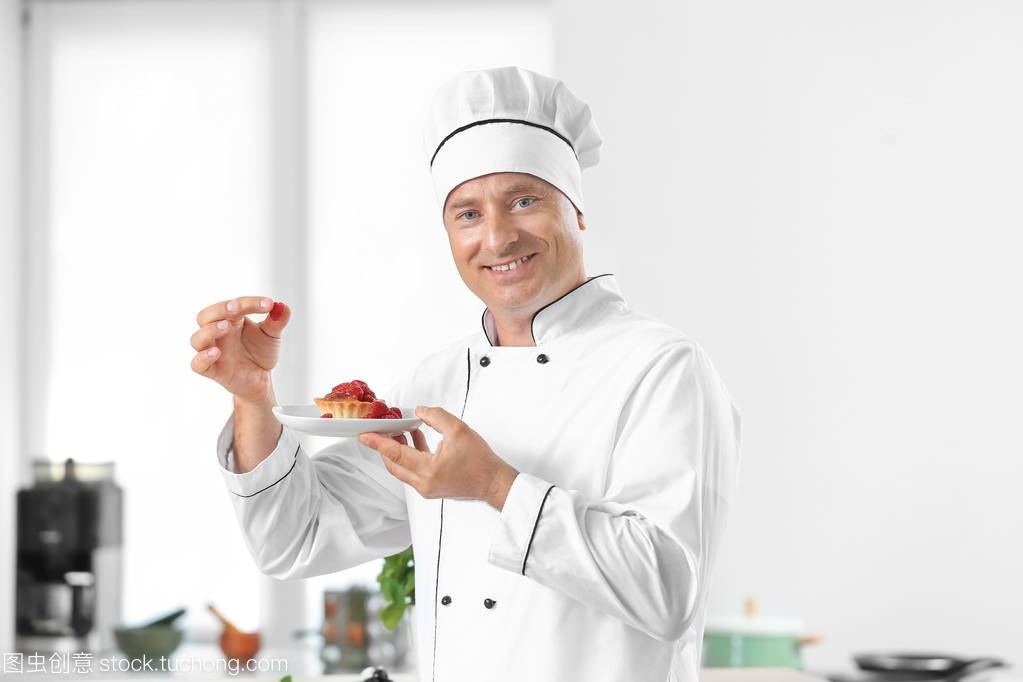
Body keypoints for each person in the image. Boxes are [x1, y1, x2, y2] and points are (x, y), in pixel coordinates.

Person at [190, 66, 741, 682]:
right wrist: (253, 401)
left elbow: (669, 589)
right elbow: (296, 539)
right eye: (468, 214)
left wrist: (495, 485)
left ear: (577, 209)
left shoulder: (661, 367)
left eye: (523, 201)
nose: (497, 238)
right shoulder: (438, 382)